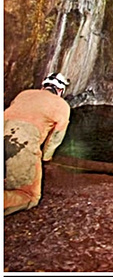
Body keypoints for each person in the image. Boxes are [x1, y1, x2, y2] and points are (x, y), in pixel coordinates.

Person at [4, 72, 71, 215]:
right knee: (30, 195)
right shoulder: (62, 105)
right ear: (60, 91)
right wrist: (46, 158)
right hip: (20, 144)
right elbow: (55, 138)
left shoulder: (24, 94)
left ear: (43, 86)